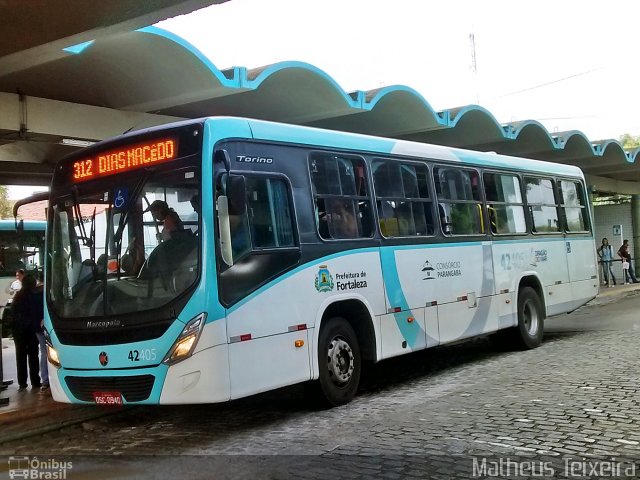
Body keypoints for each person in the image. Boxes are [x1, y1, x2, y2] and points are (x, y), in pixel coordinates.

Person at [11, 274, 40, 391]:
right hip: (32, 330)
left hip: (19, 331)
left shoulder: (17, 296)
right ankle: (35, 381)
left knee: (20, 357)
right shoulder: (35, 296)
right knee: (33, 356)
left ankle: (22, 383)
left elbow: (13, 314)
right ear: (33, 284)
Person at [33, 273, 48, 392]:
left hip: (37, 327)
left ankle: (45, 380)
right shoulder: (47, 292)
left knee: (43, 353)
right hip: (48, 326)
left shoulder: (33, 292)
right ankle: (49, 379)